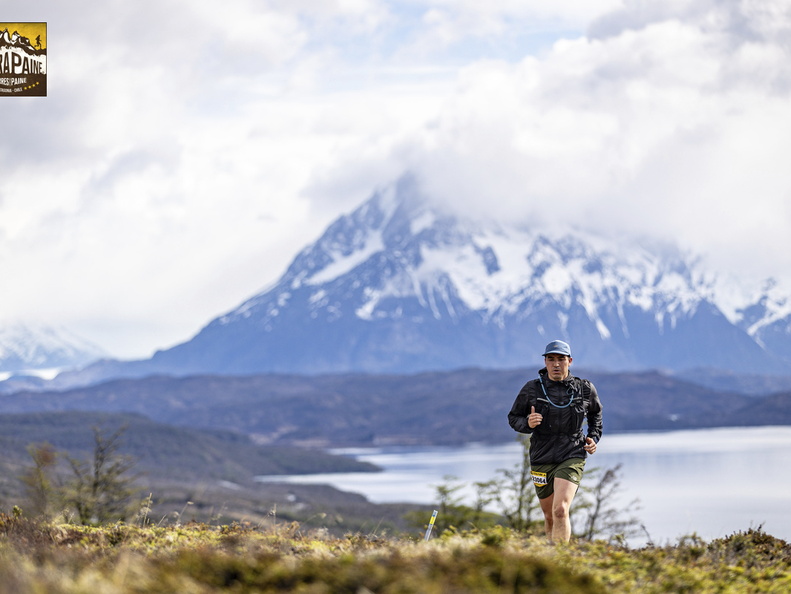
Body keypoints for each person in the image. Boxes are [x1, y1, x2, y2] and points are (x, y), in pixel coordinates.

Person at [507, 339, 603, 542]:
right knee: (549, 515)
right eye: (551, 359)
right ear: (545, 362)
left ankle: (562, 559)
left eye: (561, 359)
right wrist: (528, 423)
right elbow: (513, 418)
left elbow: (596, 415)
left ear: (570, 361)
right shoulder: (531, 389)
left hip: (572, 453)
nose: (556, 364)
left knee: (560, 510)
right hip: (541, 455)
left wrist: (593, 437)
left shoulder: (584, 389)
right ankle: (551, 559)